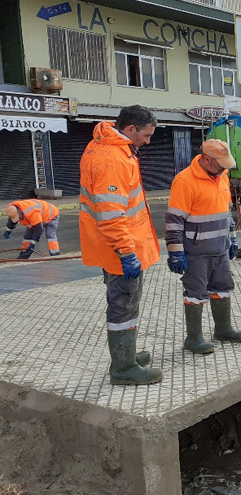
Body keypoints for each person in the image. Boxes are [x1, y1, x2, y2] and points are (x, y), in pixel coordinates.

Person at [79, 105, 163, 386]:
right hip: (121, 250)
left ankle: (127, 355)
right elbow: (112, 214)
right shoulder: (112, 159)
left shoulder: (102, 147)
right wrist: (127, 253)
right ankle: (123, 367)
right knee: (123, 306)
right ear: (130, 130)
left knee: (126, 304)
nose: (148, 142)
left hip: (114, 248)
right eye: (146, 135)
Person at [165, 139, 241, 355]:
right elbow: (174, 221)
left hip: (220, 248)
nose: (223, 168)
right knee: (196, 292)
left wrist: (232, 238)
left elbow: (226, 212)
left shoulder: (221, 177)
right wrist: (175, 253)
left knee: (222, 287)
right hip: (196, 251)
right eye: (220, 164)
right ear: (206, 159)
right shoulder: (184, 181)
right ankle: (193, 338)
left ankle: (223, 329)